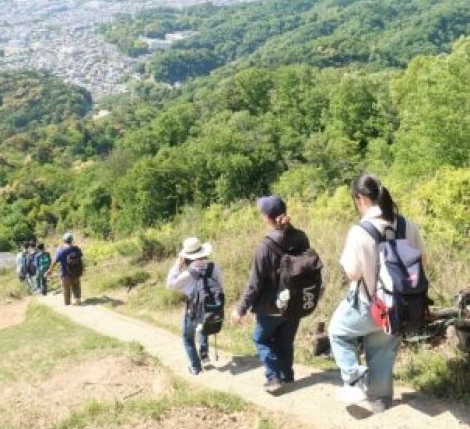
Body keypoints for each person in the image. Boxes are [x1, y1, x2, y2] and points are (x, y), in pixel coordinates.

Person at [328, 173, 427, 412]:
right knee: (382, 351)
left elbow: (352, 273)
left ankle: (355, 380)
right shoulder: (407, 225)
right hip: (399, 306)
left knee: (338, 332)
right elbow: (424, 261)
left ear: (360, 199)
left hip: (368, 305)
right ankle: (380, 400)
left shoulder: (360, 231)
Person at [231, 195, 310, 394]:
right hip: (294, 303)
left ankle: (273, 377)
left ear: (267, 217)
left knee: (261, 339)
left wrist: (241, 309)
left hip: (269, 307)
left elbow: (255, 283)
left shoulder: (264, 247)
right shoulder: (301, 237)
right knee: (285, 341)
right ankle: (287, 375)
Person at [166, 236, 223, 375]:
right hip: (211, 308)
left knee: (187, 338)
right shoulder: (214, 267)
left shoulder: (187, 274)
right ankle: (204, 355)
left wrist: (177, 265)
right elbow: (221, 287)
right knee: (203, 325)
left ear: (186, 257)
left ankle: (196, 368)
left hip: (193, 310)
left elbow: (170, 284)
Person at [47, 232, 84, 305]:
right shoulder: (76, 249)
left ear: (64, 240)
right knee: (76, 286)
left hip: (65, 274)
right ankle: (77, 299)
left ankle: (68, 304)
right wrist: (82, 269)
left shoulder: (61, 250)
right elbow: (81, 259)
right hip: (76, 272)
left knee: (66, 290)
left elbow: (54, 262)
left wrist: (50, 270)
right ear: (72, 240)